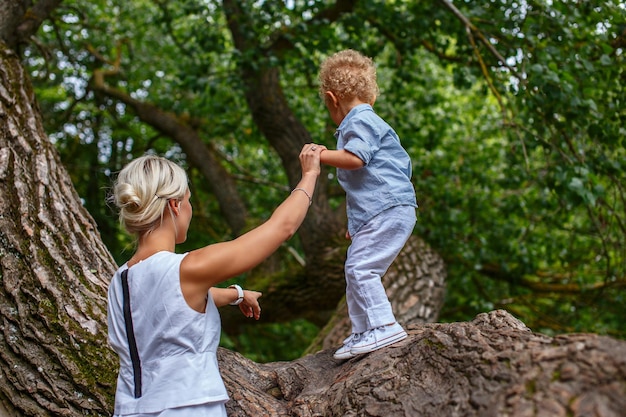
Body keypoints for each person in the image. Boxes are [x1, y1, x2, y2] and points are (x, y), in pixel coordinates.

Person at [107, 146, 322, 417]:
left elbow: (170, 303)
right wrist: (310, 174)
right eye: (188, 200)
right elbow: (281, 228)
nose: (190, 209)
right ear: (174, 205)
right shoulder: (188, 268)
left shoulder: (121, 279)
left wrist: (236, 294)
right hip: (187, 407)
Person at [314, 49, 418, 360]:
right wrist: (357, 224)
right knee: (355, 268)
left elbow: (356, 160)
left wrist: (319, 154)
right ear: (370, 95)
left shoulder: (360, 121)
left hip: (389, 208)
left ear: (332, 100)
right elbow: (370, 182)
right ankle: (364, 331)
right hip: (383, 210)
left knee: (361, 268)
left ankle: (382, 325)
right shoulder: (367, 119)